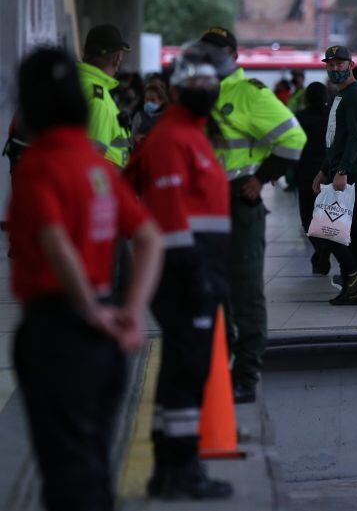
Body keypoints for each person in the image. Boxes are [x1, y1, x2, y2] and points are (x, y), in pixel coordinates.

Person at [10, 47, 164, 511]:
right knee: (94, 458)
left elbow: (55, 243)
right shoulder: (95, 165)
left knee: (64, 470)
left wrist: (87, 308)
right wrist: (131, 313)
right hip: (104, 339)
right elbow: (149, 238)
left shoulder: (39, 164)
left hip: (57, 330)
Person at [126, 41, 235, 500]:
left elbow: (129, 184)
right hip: (184, 268)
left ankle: (172, 465)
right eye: (196, 80)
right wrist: (193, 273)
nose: (205, 87)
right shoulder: (174, 137)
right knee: (186, 369)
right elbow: (169, 211)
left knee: (183, 367)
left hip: (195, 264)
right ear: (174, 88)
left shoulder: (189, 132)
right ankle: (179, 468)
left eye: (211, 80)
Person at [201, 26, 307, 404]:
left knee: (244, 291)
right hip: (205, 205)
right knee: (213, 292)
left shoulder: (249, 94)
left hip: (236, 201)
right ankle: (221, 366)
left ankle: (245, 375)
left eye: (217, 52)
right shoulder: (200, 95)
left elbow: (294, 138)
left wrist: (261, 178)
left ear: (233, 54)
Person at [311, 46, 357, 305]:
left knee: (330, 228)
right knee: (345, 229)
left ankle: (356, 279)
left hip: (354, 171)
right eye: (331, 64)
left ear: (351, 64)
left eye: (340, 64)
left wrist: (342, 170)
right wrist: (324, 169)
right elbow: (335, 137)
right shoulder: (341, 95)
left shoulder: (356, 94)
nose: (335, 68)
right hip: (341, 169)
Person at [77, 24, 134, 168]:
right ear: (118, 58)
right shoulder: (99, 99)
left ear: (84, 51)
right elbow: (93, 163)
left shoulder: (75, 83)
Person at [295, 82, 331, 274]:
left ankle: (321, 250)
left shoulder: (299, 118)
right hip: (330, 172)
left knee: (308, 217)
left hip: (306, 173)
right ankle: (323, 251)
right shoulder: (333, 116)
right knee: (327, 216)